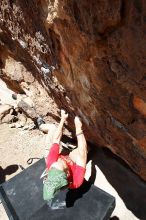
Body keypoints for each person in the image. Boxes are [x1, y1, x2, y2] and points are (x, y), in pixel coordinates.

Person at [43, 109, 88, 201]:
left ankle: (41, 126)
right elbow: (82, 154)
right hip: (71, 160)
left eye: (52, 166)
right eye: (60, 162)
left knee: (53, 129)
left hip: (57, 155)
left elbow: (56, 140)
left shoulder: (51, 163)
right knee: (87, 148)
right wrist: (79, 128)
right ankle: (69, 146)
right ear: (67, 173)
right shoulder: (76, 181)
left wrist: (63, 119)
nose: (59, 160)